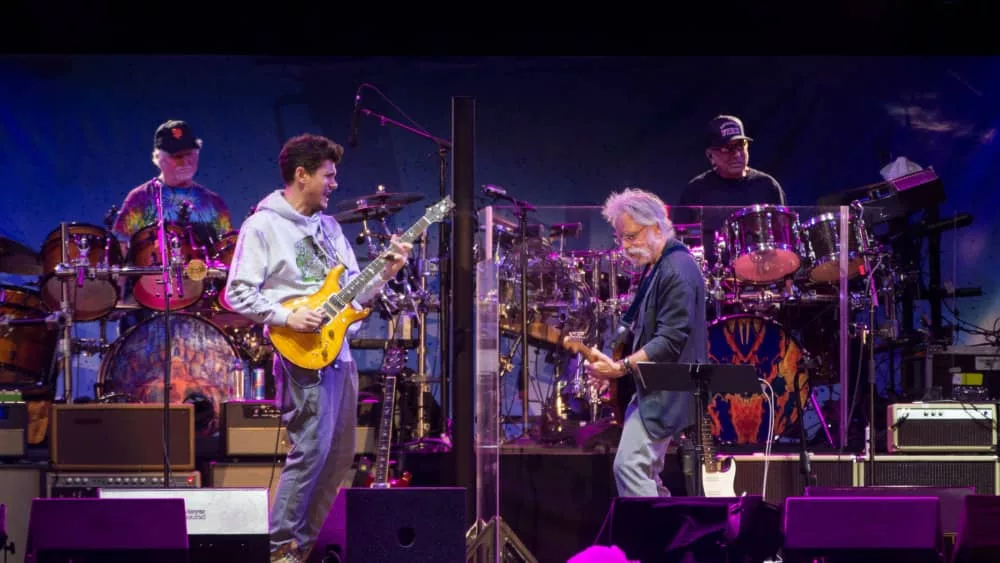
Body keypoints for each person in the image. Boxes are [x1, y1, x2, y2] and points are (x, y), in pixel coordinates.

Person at [223, 133, 412, 563]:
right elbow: (237, 292)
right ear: (301, 174)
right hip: (299, 357)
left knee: (341, 455)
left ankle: (301, 549)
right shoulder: (263, 226)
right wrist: (288, 316)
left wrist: (384, 272)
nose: (334, 183)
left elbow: (353, 296)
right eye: (328, 175)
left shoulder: (329, 228)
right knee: (310, 451)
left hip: (338, 354)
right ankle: (276, 549)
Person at [585, 188, 706, 497]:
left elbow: (669, 340)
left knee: (630, 466)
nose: (625, 246)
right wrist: (612, 363)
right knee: (646, 474)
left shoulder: (677, 269)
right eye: (621, 238)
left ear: (656, 227)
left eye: (632, 236)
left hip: (668, 390)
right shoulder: (657, 266)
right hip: (653, 387)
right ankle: (664, 536)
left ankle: (652, 538)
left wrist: (621, 367)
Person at [111, 119, 234, 333]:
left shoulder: (214, 203)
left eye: (190, 154)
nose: (185, 161)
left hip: (201, 312)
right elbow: (121, 250)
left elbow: (229, 252)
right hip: (146, 311)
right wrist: (115, 297)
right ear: (159, 158)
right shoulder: (139, 198)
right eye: (177, 156)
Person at [674, 115, 787, 264]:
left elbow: (786, 240)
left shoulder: (767, 186)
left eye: (741, 145)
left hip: (763, 275)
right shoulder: (695, 191)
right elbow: (679, 244)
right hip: (713, 281)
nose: (737, 154)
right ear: (710, 155)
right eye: (727, 148)